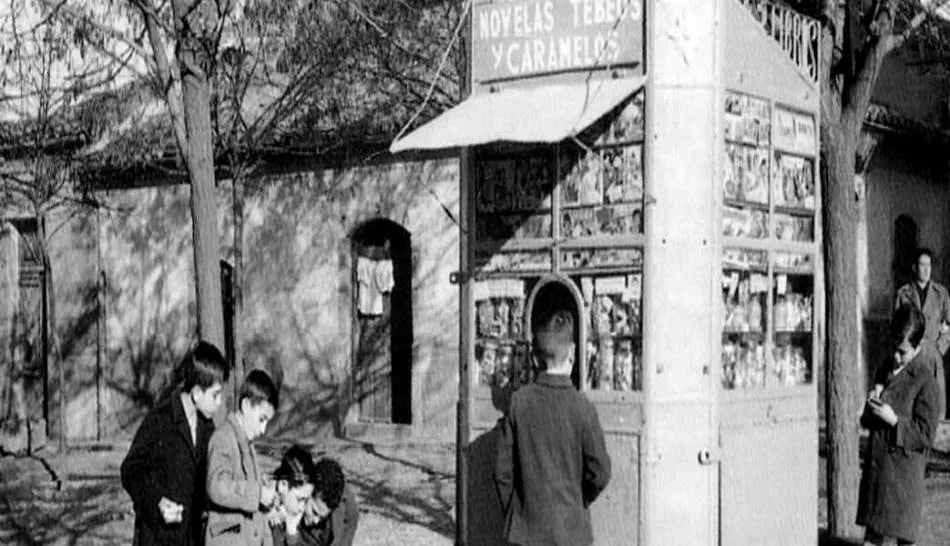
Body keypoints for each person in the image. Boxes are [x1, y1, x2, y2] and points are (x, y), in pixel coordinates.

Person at [494, 304, 611, 546]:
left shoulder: (519, 402)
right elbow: (600, 473)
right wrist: (578, 502)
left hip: (526, 534)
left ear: (534, 358)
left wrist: (519, 513)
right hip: (572, 534)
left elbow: (502, 472)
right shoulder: (583, 407)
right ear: (573, 353)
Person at [120, 341, 229, 546]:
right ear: (197, 394)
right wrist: (157, 502)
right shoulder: (160, 421)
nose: (220, 402)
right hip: (158, 538)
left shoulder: (207, 426)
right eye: (215, 395)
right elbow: (130, 471)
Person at [857, 304, 940, 546]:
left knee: (903, 541)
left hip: (903, 481)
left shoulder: (925, 380)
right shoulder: (885, 368)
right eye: (894, 347)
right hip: (878, 474)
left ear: (918, 346)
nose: (896, 356)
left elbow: (925, 434)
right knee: (872, 538)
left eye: (902, 352)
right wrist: (871, 402)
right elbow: (867, 422)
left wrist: (894, 420)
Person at [205, 369, 279, 546]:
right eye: (261, 419)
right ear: (246, 406)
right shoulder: (223, 437)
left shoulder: (247, 445)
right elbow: (217, 486)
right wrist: (258, 493)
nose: (263, 429)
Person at [895, 247, 950, 416]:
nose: (926, 270)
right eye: (922, 265)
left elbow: (949, 326)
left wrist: (939, 349)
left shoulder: (941, 294)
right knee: (911, 404)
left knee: (935, 405)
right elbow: (896, 328)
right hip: (912, 356)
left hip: (933, 357)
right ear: (914, 267)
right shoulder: (904, 293)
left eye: (929, 265)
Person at [269, 445, 318, 545]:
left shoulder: (287, 514)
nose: (302, 508)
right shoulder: (266, 516)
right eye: (300, 499)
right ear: (283, 485)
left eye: (306, 501)